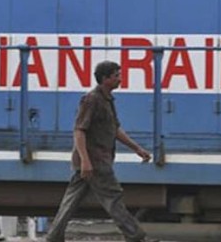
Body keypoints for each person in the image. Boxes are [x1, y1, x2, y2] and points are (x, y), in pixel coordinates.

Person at [45, 61, 159, 242]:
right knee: (113, 198)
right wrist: (85, 161)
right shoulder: (91, 99)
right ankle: (136, 237)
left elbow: (115, 130)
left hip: (94, 160)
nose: (120, 79)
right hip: (94, 161)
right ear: (105, 79)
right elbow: (79, 130)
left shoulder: (107, 100)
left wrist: (137, 148)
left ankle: (53, 237)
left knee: (70, 201)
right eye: (116, 76)